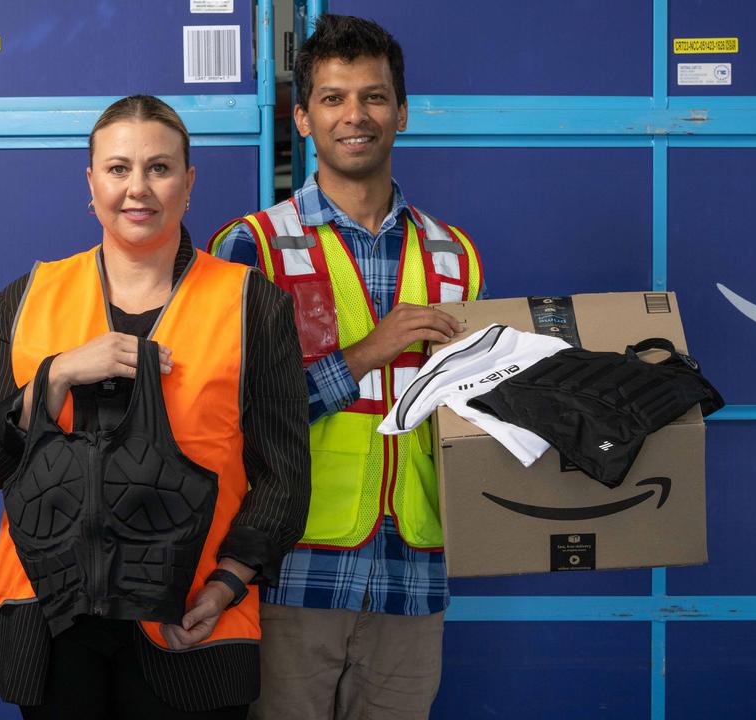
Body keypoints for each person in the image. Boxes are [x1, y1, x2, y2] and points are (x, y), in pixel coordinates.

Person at [0, 94, 310, 719]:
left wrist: (229, 583)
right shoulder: (27, 298)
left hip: (190, 619)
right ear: (90, 183)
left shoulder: (252, 304)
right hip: (51, 627)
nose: (138, 188)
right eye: (118, 168)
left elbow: (284, 471)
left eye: (159, 167)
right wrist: (58, 374)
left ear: (188, 182)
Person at [208, 14, 485, 720]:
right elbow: (227, 417)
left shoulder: (456, 255)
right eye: (332, 98)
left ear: (402, 112)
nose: (354, 115)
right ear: (301, 118)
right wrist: (365, 355)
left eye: (374, 96)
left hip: (414, 574)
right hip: (292, 571)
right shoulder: (253, 247)